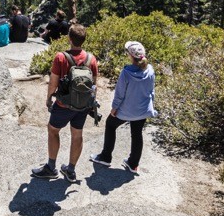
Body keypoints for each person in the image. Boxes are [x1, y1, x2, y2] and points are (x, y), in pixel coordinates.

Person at [32, 24, 99, 181]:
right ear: (84, 40)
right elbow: (94, 85)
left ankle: (50, 167)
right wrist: (90, 104)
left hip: (63, 105)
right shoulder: (91, 59)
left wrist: (49, 98)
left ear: (69, 39)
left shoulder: (61, 57)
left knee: (53, 130)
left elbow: (53, 82)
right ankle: (71, 170)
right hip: (82, 105)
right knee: (77, 135)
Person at [90, 40, 158, 175]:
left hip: (126, 110)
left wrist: (114, 109)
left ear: (131, 56)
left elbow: (120, 94)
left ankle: (105, 157)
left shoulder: (126, 72)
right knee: (137, 133)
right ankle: (133, 164)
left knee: (110, 125)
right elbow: (151, 91)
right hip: (143, 110)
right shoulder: (150, 70)